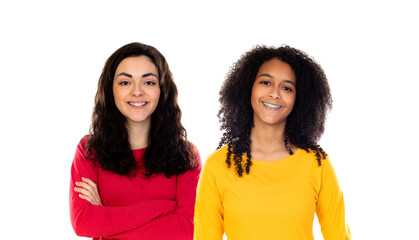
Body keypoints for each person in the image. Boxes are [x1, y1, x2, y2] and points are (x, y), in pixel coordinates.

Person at [194, 45, 351, 239]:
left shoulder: (317, 164)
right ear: (247, 88)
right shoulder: (217, 166)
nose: (275, 93)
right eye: (266, 82)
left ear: (298, 98)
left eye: (287, 88)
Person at [70, 42, 201, 240]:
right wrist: (163, 209)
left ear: (162, 90)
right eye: (125, 82)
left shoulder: (186, 155)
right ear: (110, 89)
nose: (137, 91)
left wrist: (106, 221)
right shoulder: (89, 150)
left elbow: (187, 229)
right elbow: (84, 222)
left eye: (148, 82)